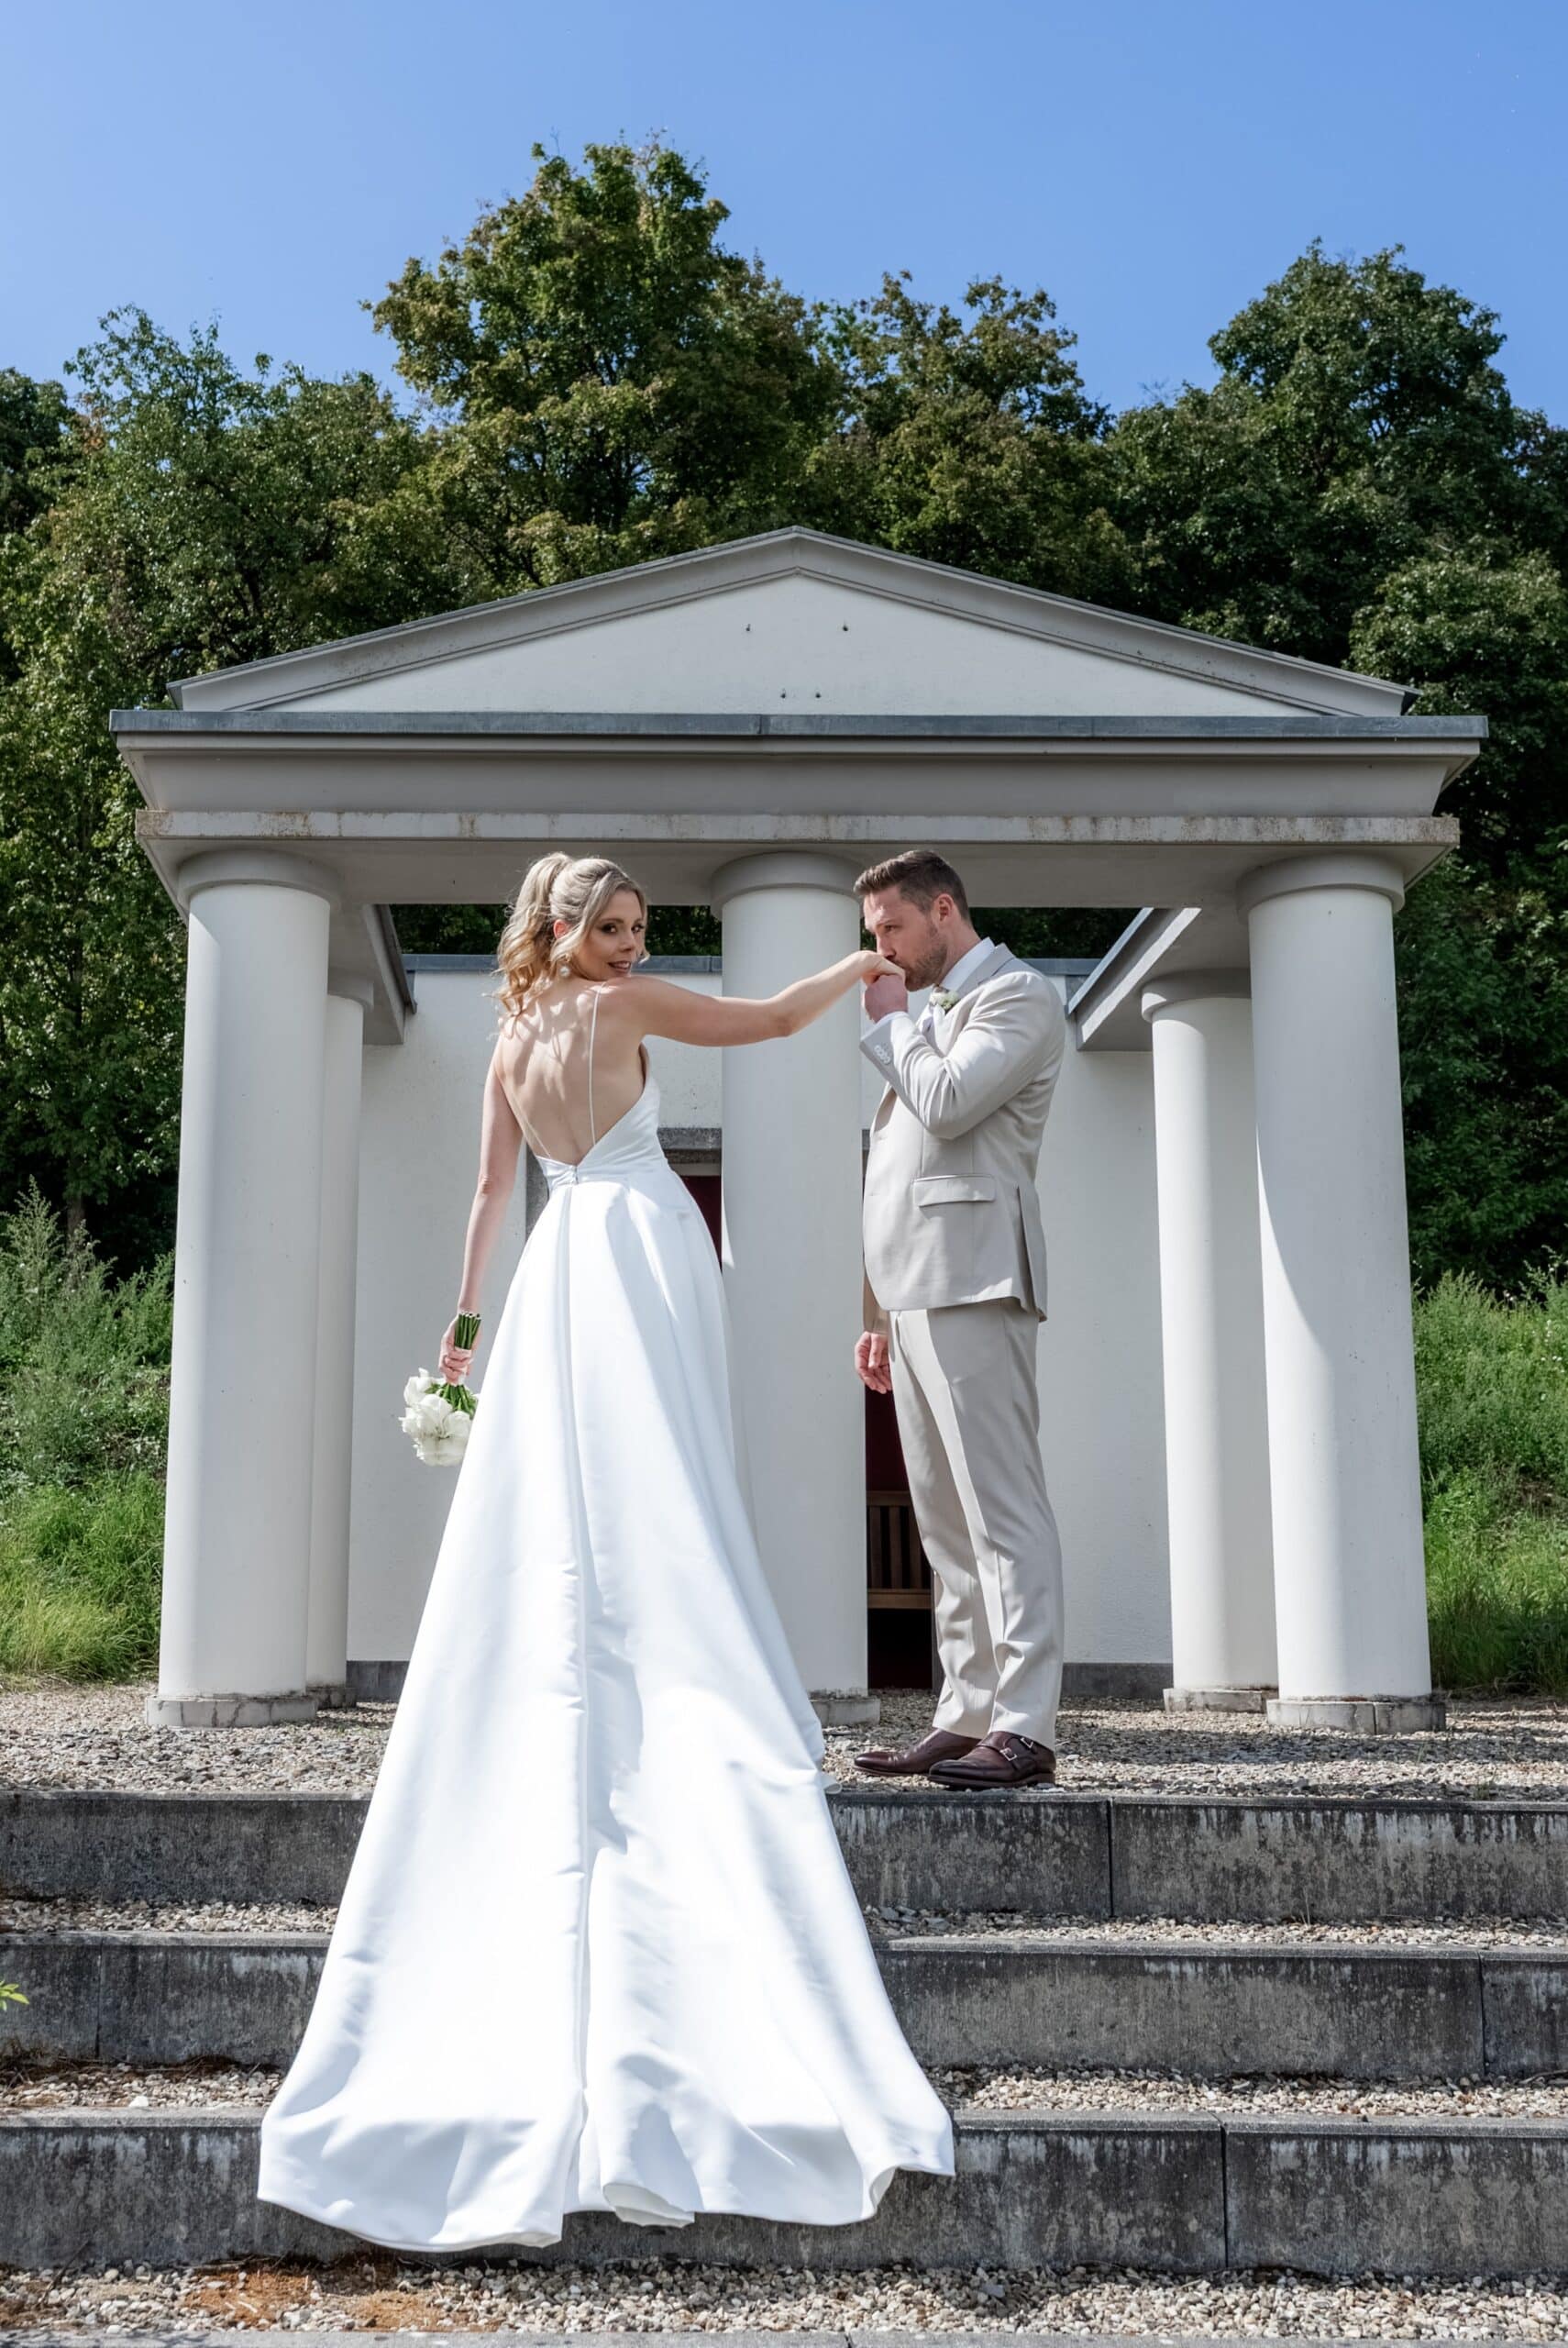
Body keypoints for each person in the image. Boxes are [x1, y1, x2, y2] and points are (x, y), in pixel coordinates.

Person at [255, 851, 955, 2253]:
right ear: (563, 931)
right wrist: (850, 970)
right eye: (614, 928)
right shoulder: (627, 1018)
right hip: (638, 1236)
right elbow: (761, 1026)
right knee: (659, 1466)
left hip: (558, 1256)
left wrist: (458, 1345)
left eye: (639, 930)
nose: (631, 949)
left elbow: (481, 1199)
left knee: (569, 1468)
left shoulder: (512, 1035)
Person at [851, 849, 1068, 1791]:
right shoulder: (931, 1019)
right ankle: (966, 1709)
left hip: (979, 1280)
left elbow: (945, 1105)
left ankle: (1024, 1724)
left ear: (945, 909)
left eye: (892, 927)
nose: (883, 951)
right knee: (944, 1521)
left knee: (1002, 1510)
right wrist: (874, 1308)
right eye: (873, 938)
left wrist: (894, 1027)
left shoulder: (1020, 995)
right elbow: (892, 1177)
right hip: (913, 1293)